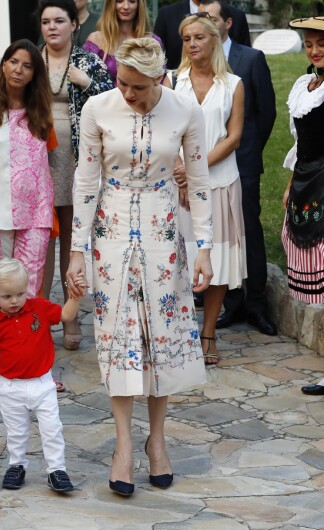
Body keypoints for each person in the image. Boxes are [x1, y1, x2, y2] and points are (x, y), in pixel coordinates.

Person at [66, 37, 213, 496]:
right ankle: (124, 445)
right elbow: (86, 177)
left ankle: (158, 440)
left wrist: (204, 245)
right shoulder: (97, 107)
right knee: (120, 333)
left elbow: (201, 178)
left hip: (163, 231)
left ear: (159, 79)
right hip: (110, 233)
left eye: (138, 87)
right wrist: (77, 248)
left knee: (159, 334)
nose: (128, 94)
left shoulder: (186, 109)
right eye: (124, 84)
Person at [170, 13, 246, 365]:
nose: (193, 44)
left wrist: (195, 170)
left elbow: (233, 137)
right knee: (178, 259)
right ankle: (181, 329)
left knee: (216, 259)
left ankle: (208, 332)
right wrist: (179, 172)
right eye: (187, 39)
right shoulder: (172, 81)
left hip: (219, 183)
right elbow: (164, 132)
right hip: (178, 184)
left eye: (199, 37)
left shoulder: (233, 84)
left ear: (215, 39)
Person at [38, 0, 114, 354]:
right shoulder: (30, 58)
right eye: (45, 22)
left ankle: (70, 314)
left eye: (58, 21)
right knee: (39, 238)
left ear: (73, 25)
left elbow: (116, 102)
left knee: (73, 238)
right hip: (37, 154)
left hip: (77, 155)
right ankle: (36, 313)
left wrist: (86, 84)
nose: (51, 27)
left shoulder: (89, 62)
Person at [200, 0, 277, 336]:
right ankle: (231, 304)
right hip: (207, 168)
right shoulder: (196, 62)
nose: (206, 24)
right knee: (220, 237)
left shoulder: (250, 58)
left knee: (249, 233)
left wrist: (248, 152)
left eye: (212, 18)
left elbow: (267, 112)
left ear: (228, 23)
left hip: (242, 163)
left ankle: (257, 304)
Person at [0, 39, 56, 298]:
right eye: (13, 62)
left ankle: (31, 337)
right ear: (3, 65)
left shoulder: (41, 113)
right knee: (4, 284)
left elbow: (45, 160)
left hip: (36, 211)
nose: (18, 69)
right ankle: (5, 337)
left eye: (27, 66)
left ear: (34, 74)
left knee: (30, 282)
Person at [0, 258, 86, 493]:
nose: (15, 301)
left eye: (20, 294)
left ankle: (56, 470)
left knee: (52, 428)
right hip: (11, 386)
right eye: (7, 296)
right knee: (16, 431)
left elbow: (66, 316)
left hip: (42, 383)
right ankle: (16, 465)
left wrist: (75, 297)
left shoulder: (38, 307)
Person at [281, 17, 324, 397]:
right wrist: (292, 182)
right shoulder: (304, 85)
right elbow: (301, 143)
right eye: (309, 44)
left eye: (321, 43)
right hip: (308, 182)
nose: (315, 50)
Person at [154, 0, 250, 70]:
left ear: (228, 23)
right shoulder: (166, 14)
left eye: (213, 20)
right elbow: (157, 59)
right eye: (186, 39)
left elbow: (246, 60)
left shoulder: (237, 15)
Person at [84, 0, 158, 81]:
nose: (126, 6)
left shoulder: (152, 41)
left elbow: (159, 82)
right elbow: (85, 78)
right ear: (111, 4)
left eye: (132, 1)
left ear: (139, 5)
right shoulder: (95, 39)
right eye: (119, 1)